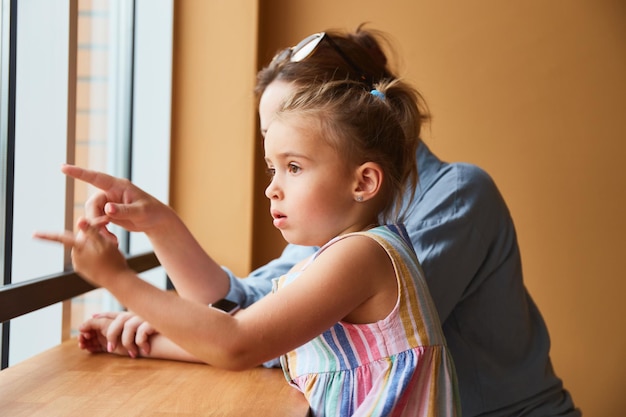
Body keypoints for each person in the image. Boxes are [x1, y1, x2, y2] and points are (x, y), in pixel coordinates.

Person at [69, 27, 580, 416]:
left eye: (294, 159)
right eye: (272, 147)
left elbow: (276, 337)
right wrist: (160, 225)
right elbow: (247, 306)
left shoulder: (444, 204)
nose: (274, 180)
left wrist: (135, 302)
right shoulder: (340, 227)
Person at [36, 79, 462, 416]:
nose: (272, 188)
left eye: (294, 167)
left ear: (363, 182)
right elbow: (260, 338)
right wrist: (145, 338)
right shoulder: (341, 257)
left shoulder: (363, 256)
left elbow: (239, 342)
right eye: (273, 168)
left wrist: (117, 278)